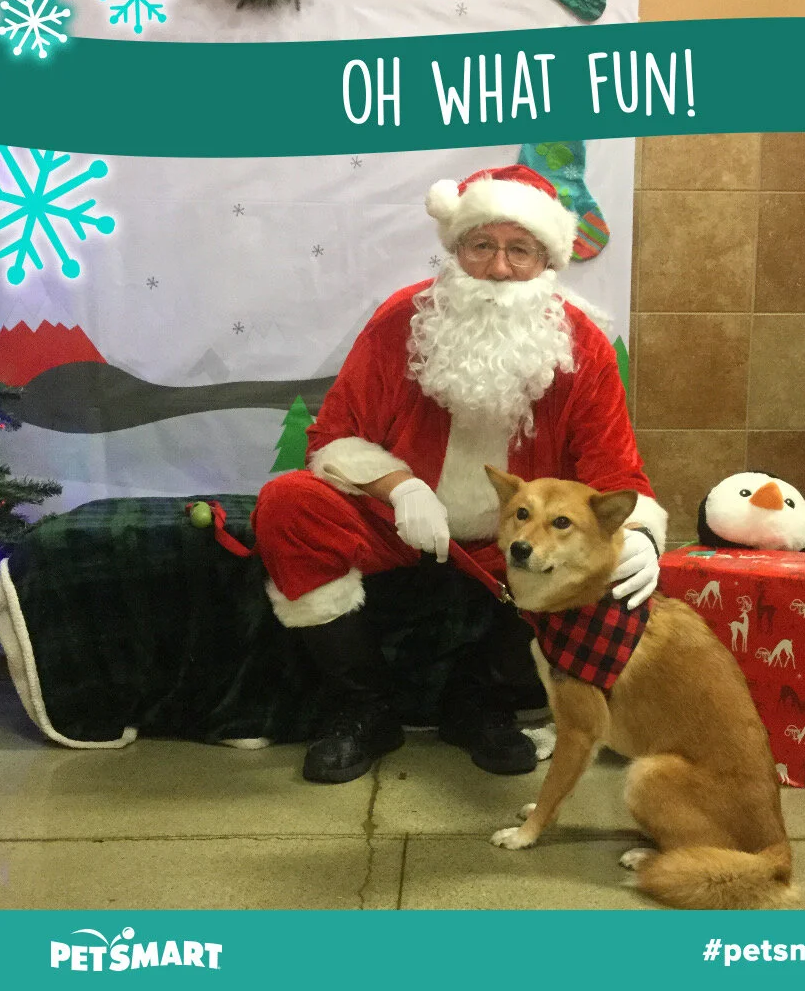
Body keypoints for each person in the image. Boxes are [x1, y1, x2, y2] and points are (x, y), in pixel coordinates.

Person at [253, 164, 668, 784]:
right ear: (456, 249)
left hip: (516, 537)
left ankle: (481, 705)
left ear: (546, 261)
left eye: (519, 250)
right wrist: (401, 488)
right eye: (482, 246)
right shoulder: (403, 319)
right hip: (396, 524)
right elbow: (333, 436)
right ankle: (365, 708)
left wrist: (642, 537)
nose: (498, 268)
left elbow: (614, 471)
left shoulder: (581, 344)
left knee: (606, 553)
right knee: (289, 503)